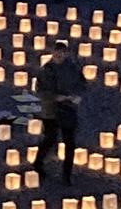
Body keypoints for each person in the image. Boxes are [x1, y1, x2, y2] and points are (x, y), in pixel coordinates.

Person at [33, 41, 86, 186]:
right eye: (56, 52)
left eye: (61, 52)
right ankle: (38, 163)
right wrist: (55, 97)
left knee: (70, 143)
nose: (58, 55)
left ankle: (66, 175)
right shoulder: (46, 70)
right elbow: (40, 91)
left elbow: (82, 84)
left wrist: (77, 96)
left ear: (65, 53)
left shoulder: (72, 68)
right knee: (50, 138)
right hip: (50, 110)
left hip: (68, 109)